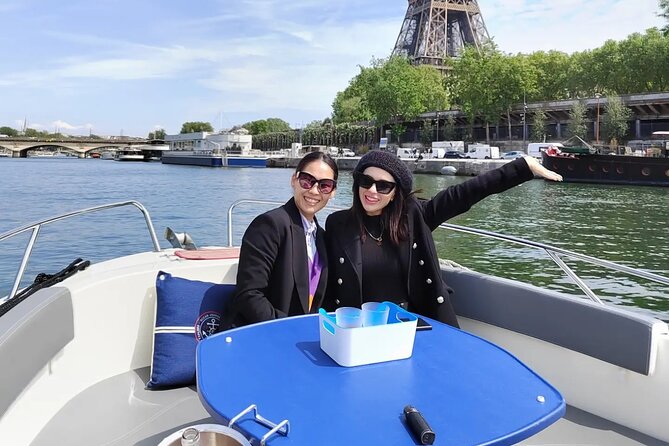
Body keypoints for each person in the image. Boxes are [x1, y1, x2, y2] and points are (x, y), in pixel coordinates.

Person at [323, 150, 562, 328]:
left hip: (417, 328)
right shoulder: (337, 224)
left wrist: (523, 167)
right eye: (366, 181)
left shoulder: (414, 216)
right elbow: (326, 282)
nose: (372, 191)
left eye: (383, 186)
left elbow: (465, 193)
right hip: (361, 333)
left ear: (396, 192)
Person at [231, 151, 338, 326]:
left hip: (302, 333)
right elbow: (249, 294)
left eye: (324, 185)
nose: (313, 191)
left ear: (332, 192)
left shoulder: (322, 237)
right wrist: (288, 330)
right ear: (294, 180)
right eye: (307, 180)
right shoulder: (269, 225)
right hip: (265, 333)